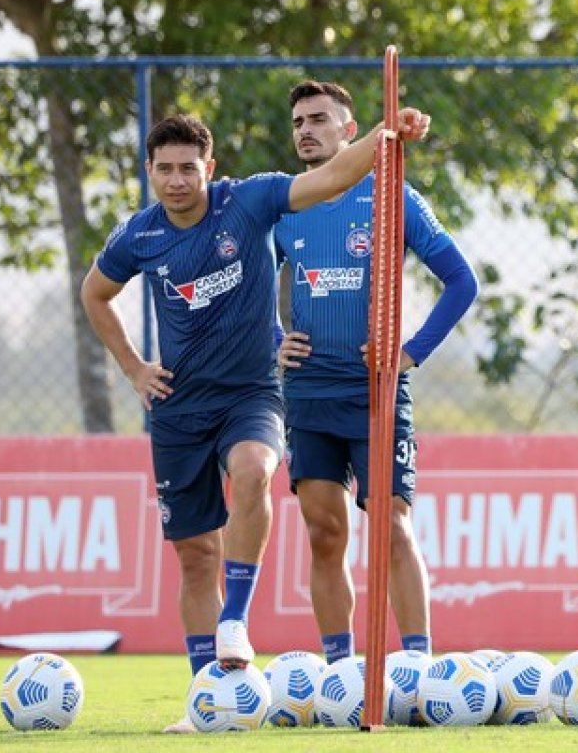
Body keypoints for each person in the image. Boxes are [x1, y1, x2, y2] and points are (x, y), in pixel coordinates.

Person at [79, 105, 430, 734]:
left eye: (190, 168)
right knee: (193, 557)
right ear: (150, 173)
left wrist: (385, 134)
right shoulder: (139, 235)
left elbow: (331, 179)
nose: (179, 179)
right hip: (177, 408)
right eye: (166, 169)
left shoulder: (249, 201)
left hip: (251, 394)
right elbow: (94, 294)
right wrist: (134, 368)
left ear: (209, 169)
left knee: (253, 470)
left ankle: (235, 618)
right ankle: (207, 699)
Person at [273, 80, 477, 665]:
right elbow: (251, 284)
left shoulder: (392, 196)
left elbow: (462, 281)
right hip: (309, 391)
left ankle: (416, 663)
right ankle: (339, 668)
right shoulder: (286, 206)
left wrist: (411, 352)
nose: (305, 130)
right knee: (323, 531)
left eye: (318, 119)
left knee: (389, 527)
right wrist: (274, 339)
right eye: (297, 123)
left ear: (349, 130)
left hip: (378, 391)